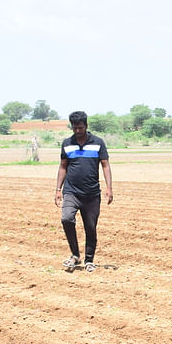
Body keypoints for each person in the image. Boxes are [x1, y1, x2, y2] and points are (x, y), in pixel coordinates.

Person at [54, 111, 113, 272]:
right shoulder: (67, 143)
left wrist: (109, 187)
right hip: (71, 192)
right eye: (75, 128)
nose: (78, 131)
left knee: (90, 227)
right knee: (66, 219)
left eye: (80, 128)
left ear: (86, 126)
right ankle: (74, 254)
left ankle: (89, 259)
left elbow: (105, 165)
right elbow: (63, 166)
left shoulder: (98, 142)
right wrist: (58, 189)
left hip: (92, 194)